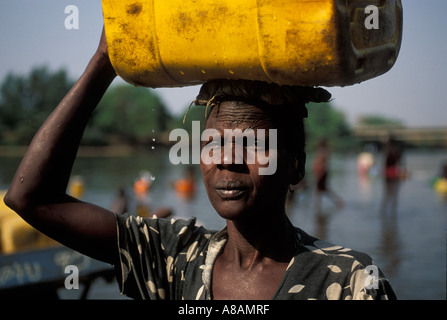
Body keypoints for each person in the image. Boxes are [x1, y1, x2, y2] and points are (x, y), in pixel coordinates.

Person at [4, 28, 396, 300]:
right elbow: (31, 198)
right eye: (213, 143)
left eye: (254, 144)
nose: (227, 159)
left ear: (295, 166)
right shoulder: (176, 256)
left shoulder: (350, 281)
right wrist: (104, 60)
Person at [312, 138, 344, 211]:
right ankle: (318, 207)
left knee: (321, 190)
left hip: (321, 173)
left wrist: (320, 174)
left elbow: (323, 163)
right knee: (321, 190)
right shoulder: (322, 151)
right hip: (320, 173)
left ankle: (318, 207)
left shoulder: (323, 151)